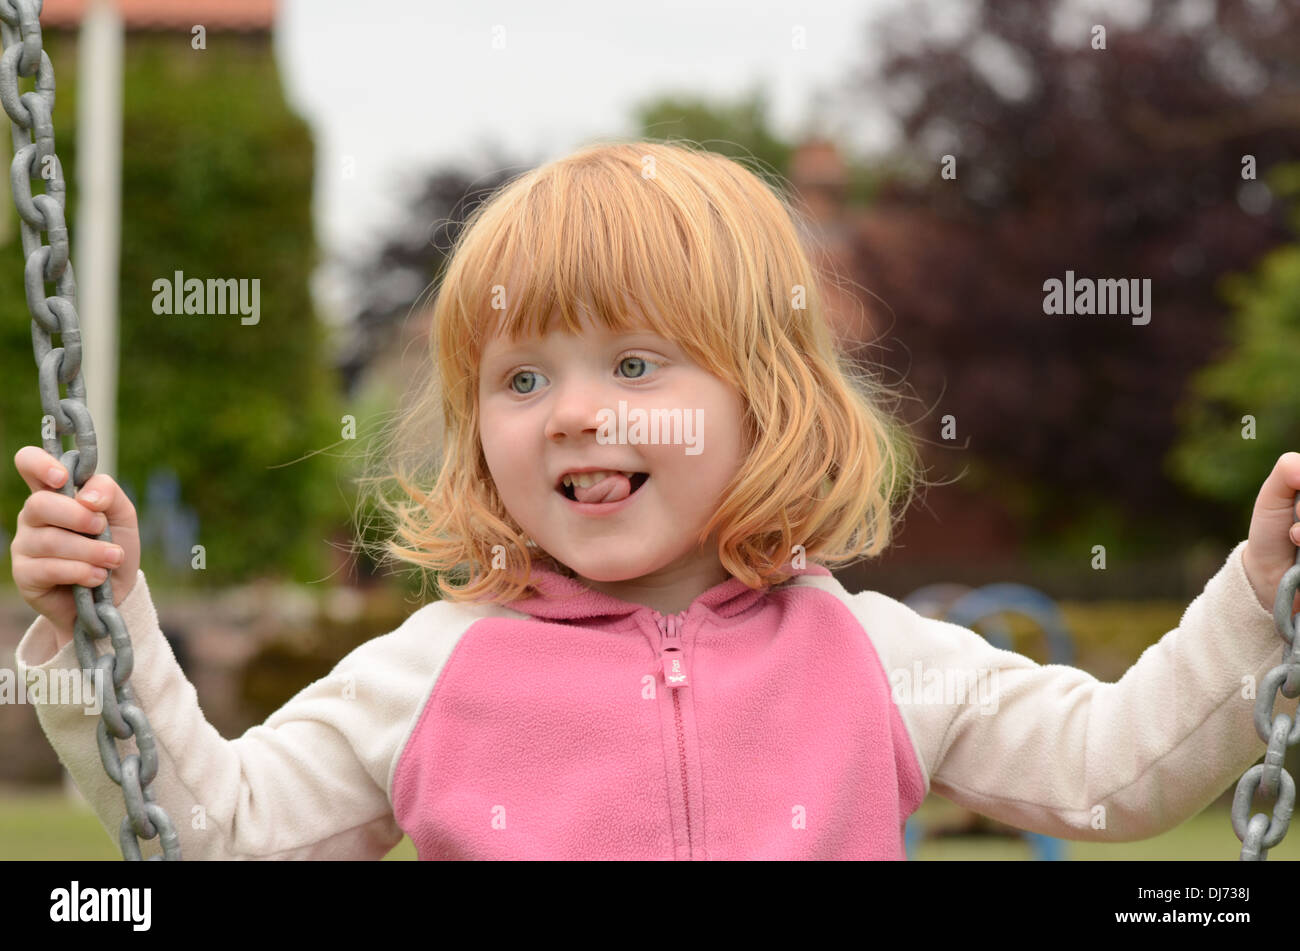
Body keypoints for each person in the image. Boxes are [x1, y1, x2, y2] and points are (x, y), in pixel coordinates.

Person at [11, 140, 1300, 860]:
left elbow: (1115, 775)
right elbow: (210, 836)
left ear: (765, 399)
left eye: (633, 364)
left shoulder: (869, 657)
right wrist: (97, 634)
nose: (573, 410)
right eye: (522, 377)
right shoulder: (433, 674)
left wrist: (1261, 596)